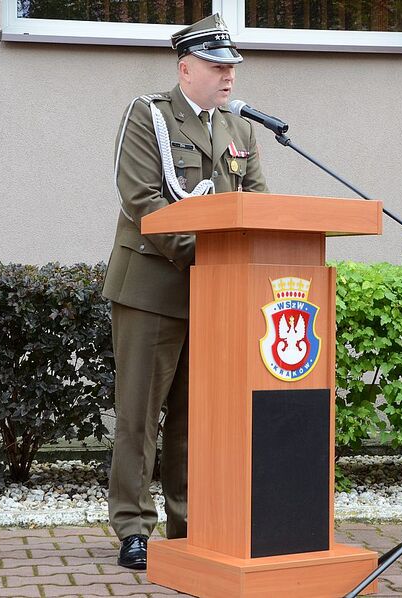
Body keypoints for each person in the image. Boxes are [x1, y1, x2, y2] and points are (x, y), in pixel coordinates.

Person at [102, 13, 269, 570]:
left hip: (215, 294)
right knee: (140, 415)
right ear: (186, 68)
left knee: (198, 418)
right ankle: (132, 525)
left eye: (232, 67)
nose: (228, 77)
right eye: (217, 66)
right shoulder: (148, 114)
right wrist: (208, 256)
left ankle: (190, 522)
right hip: (153, 286)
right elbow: (141, 198)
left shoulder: (240, 128)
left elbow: (258, 204)